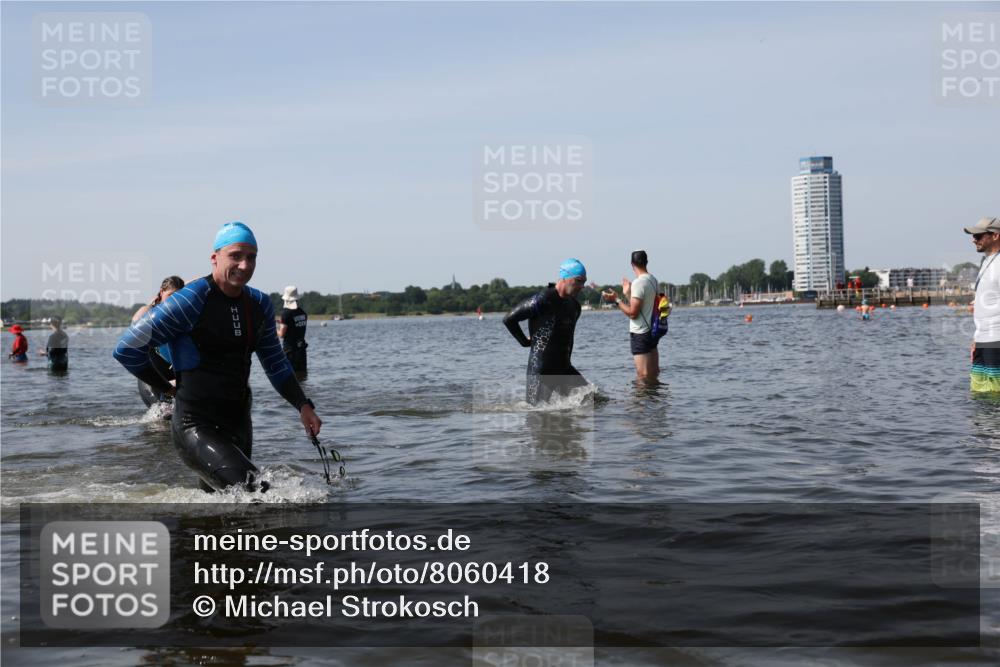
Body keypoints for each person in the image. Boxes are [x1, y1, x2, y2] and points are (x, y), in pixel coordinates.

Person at [113, 222, 322, 492]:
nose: (244, 265)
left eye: (251, 257)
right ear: (215, 258)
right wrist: (166, 388)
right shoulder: (189, 300)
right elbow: (127, 349)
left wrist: (303, 406)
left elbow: (276, 363)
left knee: (228, 506)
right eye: (236, 256)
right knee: (256, 493)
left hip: (239, 423)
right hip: (195, 425)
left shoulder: (259, 304)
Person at [503, 258, 590, 405]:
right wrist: (524, 342)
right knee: (536, 413)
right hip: (540, 373)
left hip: (564, 369)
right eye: (578, 280)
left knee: (593, 401)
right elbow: (509, 319)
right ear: (565, 277)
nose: (582, 286)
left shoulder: (575, 307)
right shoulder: (543, 300)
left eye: (584, 282)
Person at [603, 250, 662, 381]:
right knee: (654, 373)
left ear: (632, 264)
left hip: (640, 333)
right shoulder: (653, 280)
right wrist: (628, 293)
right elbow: (643, 307)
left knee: (643, 376)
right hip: (652, 331)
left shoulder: (638, 283)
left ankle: (641, 395)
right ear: (647, 262)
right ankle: (655, 394)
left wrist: (616, 300)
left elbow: (633, 313)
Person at [133, 277, 185, 409]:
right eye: (171, 295)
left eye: (178, 297)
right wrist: (151, 306)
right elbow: (136, 322)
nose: (174, 301)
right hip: (153, 381)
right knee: (164, 417)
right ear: (161, 292)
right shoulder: (150, 311)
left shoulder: (184, 315)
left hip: (176, 374)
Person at [966, 217, 1000, 394]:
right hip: (983, 339)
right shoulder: (986, 261)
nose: (973, 240)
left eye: (978, 236)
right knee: (979, 393)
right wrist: (976, 339)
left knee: (995, 394)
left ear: (995, 236)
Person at [277, 285, 308, 373]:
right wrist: (282, 322)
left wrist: (273, 329)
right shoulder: (303, 313)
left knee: (291, 375)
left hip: (290, 352)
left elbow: (281, 334)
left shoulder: (286, 314)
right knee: (302, 375)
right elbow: (295, 325)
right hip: (301, 350)